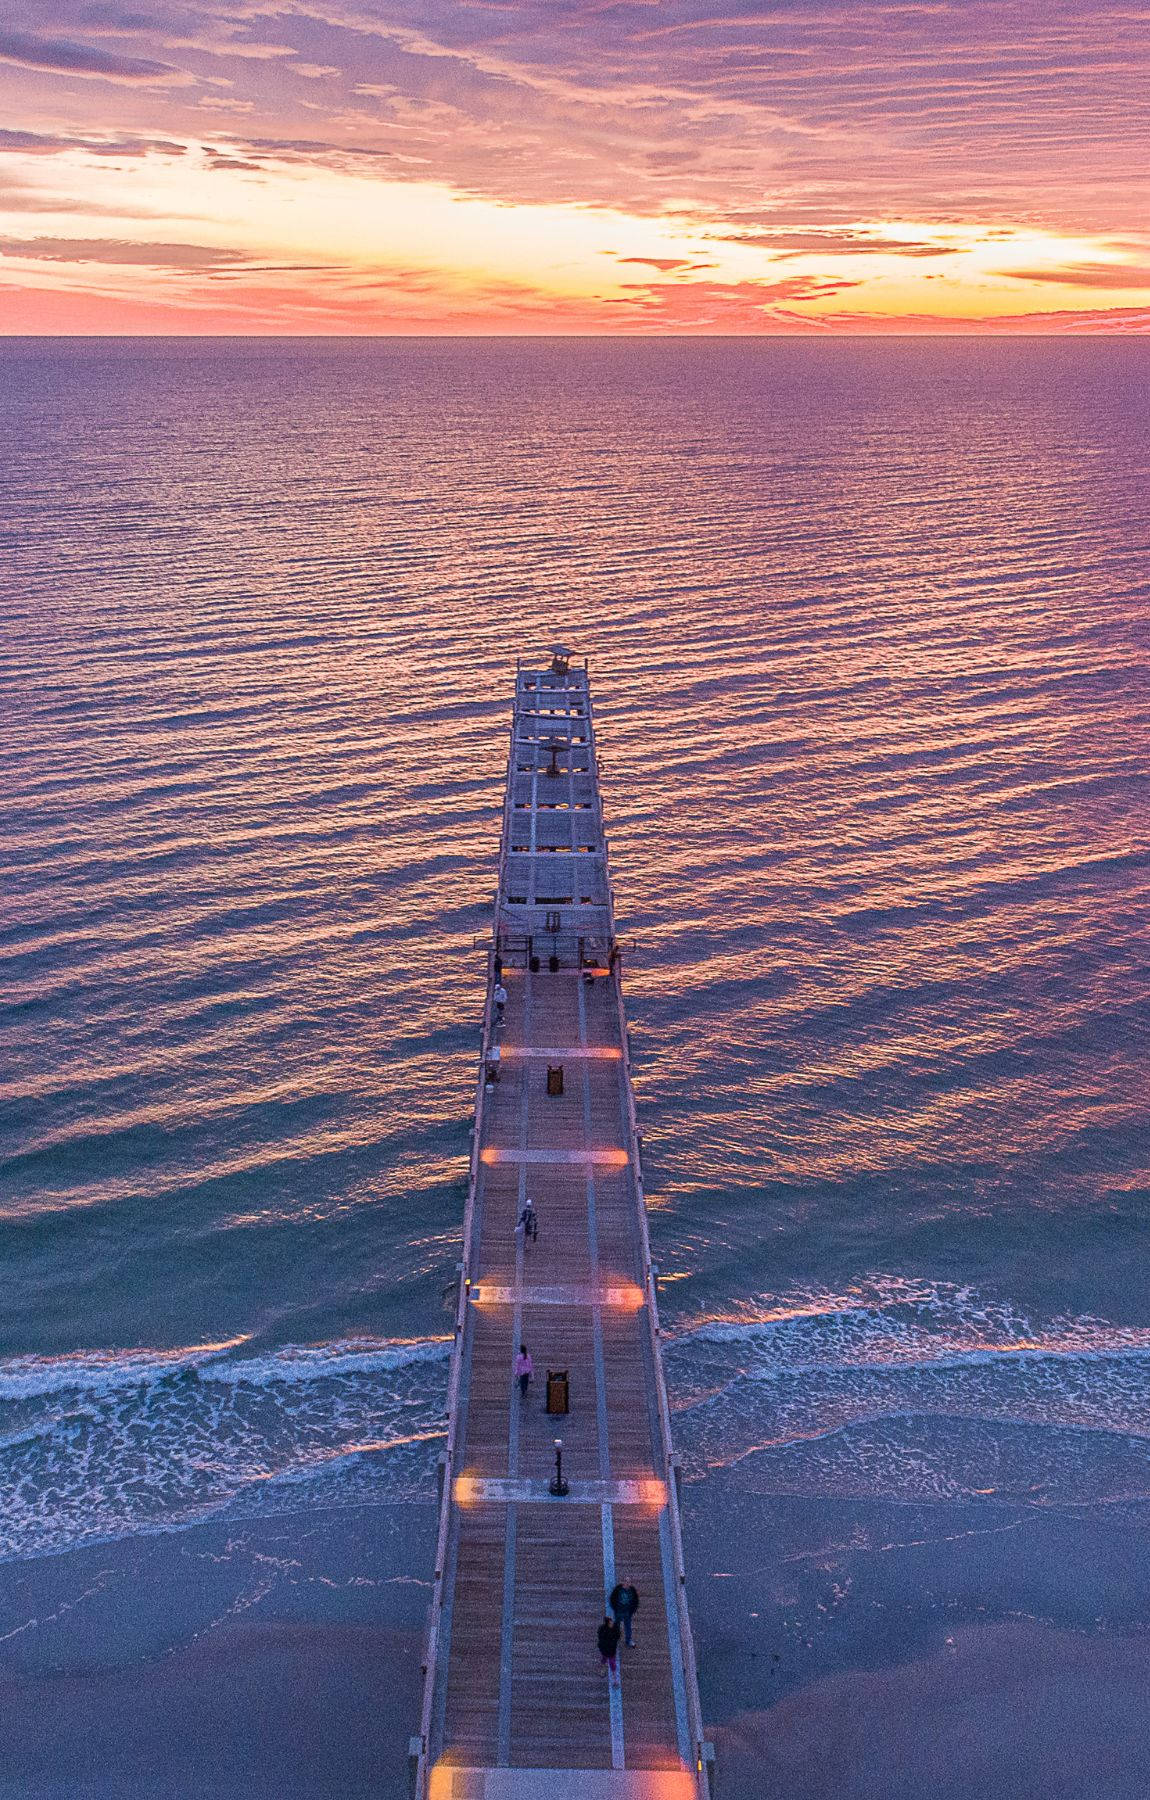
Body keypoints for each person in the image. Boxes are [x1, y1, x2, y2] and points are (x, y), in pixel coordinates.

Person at [609, 1578, 640, 1648]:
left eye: (629, 1582)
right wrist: (615, 1609)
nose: (627, 1583)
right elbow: (612, 1598)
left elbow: (636, 1601)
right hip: (619, 1611)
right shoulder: (618, 1589)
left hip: (627, 1612)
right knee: (617, 1625)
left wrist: (632, 1611)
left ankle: (628, 1640)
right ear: (623, 1582)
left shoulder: (632, 1591)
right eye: (626, 1581)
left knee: (628, 1626)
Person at [597, 1613, 621, 1677]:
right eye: (610, 1622)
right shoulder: (603, 1629)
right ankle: (607, 1672)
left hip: (610, 1649)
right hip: (606, 1649)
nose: (612, 1623)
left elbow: (618, 1635)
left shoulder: (612, 1628)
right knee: (605, 1659)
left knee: (612, 1662)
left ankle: (613, 1675)